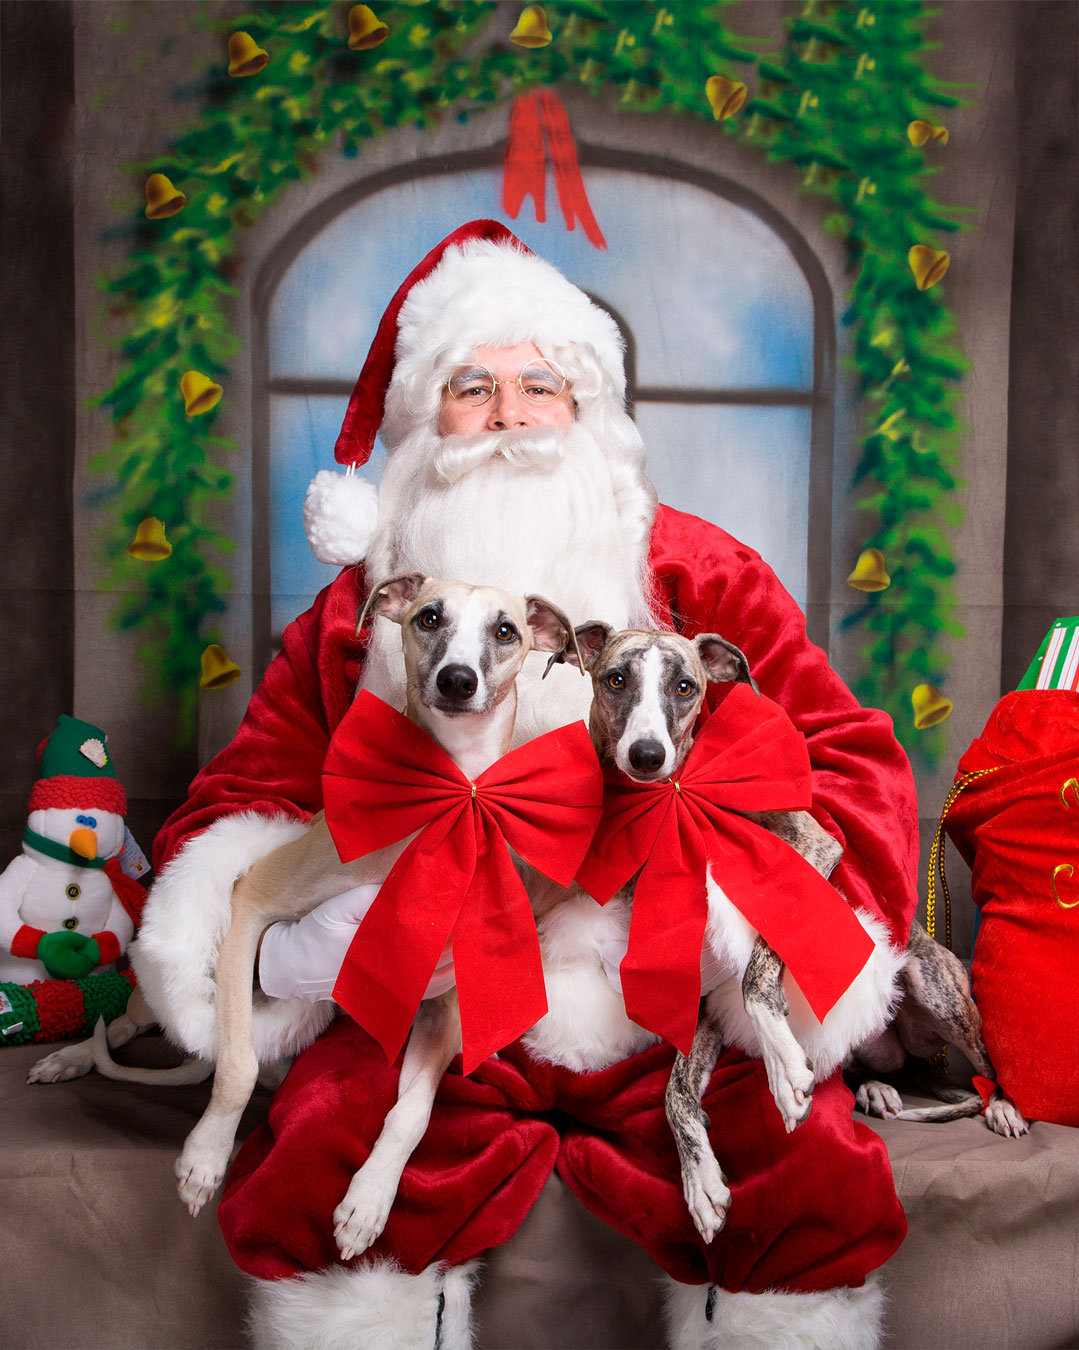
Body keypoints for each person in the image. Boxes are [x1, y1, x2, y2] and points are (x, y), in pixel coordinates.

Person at [136, 221, 917, 1349]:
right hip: (434, 1000)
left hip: (660, 998)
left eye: (538, 386)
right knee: (331, 1136)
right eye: (470, 387)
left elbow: (845, 755)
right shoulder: (363, 612)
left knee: (800, 1160)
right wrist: (281, 942)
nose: (506, 415)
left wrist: (756, 932)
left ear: (587, 414)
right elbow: (244, 789)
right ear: (420, 424)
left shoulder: (696, 570)